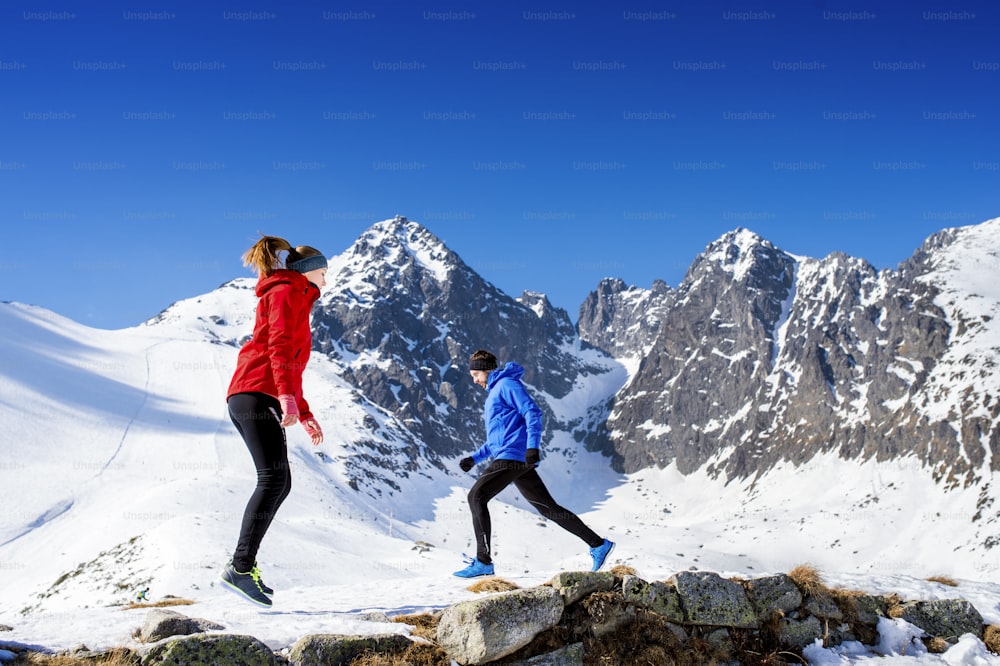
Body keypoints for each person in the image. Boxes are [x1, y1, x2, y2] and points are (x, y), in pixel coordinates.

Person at [219, 235, 328, 607]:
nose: (326, 282)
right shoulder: (283, 293)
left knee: (281, 483)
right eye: (323, 273)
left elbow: (292, 364)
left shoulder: (298, 296)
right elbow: (277, 345)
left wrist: (305, 410)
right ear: (307, 272)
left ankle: (244, 566)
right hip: (254, 393)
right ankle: (239, 567)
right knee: (272, 478)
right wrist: (284, 398)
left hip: (262, 392)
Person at [454, 349, 615, 578]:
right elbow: (497, 439)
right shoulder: (495, 393)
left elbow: (533, 412)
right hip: (512, 457)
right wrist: (474, 458)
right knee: (548, 508)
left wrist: (533, 447)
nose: (475, 380)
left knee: (476, 496)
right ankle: (598, 544)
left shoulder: (507, 385)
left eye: (475, 374)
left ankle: (483, 561)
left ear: (486, 370)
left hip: (512, 458)